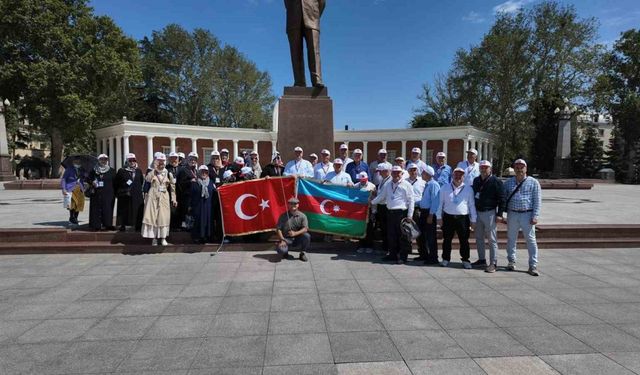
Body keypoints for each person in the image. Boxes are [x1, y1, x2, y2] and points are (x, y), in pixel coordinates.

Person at [503, 159, 541, 276]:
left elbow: (537, 200)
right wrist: (502, 214)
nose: (519, 169)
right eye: (517, 167)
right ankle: (511, 261)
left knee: (530, 240)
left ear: (526, 168)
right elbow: (503, 198)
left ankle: (533, 265)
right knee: (511, 239)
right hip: (512, 214)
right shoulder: (508, 183)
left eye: (521, 167)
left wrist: (535, 215)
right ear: (514, 168)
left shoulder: (533, 182)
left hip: (527, 214)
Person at [371, 165, 415, 264]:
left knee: (402, 236)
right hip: (390, 213)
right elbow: (381, 196)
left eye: (398, 172)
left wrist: (410, 216)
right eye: (394, 173)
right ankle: (392, 255)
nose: (396, 174)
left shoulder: (407, 184)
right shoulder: (388, 184)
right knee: (391, 235)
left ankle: (403, 257)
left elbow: (411, 200)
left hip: (401, 213)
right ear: (391, 173)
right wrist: (372, 202)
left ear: (402, 173)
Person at [436, 167, 477, 268]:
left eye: (460, 175)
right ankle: (445, 259)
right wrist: (439, 217)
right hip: (448, 217)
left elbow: (471, 205)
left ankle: (465, 260)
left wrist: (473, 220)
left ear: (464, 177)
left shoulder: (468, 189)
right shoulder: (445, 187)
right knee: (447, 240)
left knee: (464, 240)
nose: (458, 177)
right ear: (452, 175)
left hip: (463, 218)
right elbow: (440, 203)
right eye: (456, 175)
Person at [472, 160, 505, 273]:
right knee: (479, 237)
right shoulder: (476, 180)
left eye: (486, 167)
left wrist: (499, 214)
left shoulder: (496, 181)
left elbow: (502, 199)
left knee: (492, 239)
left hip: (490, 212)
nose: (483, 169)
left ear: (490, 169)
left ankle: (493, 263)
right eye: (482, 167)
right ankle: (481, 259)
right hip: (478, 212)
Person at [284, 0, 326, 88]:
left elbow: (322, 2)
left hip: (312, 17)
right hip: (293, 18)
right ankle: (299, 81)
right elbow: (287, 3)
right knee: (295, 53)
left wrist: (316, 15)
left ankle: (317, 79)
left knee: (314, 50)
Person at [142, 154, 177, 246]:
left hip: (164, 197)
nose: (161, 164)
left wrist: (174, 199)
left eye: (162, 162)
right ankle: (154, 238)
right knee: (153, 217)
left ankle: (163, 238)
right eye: (159, 161)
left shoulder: (168, 173)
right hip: (153, 196)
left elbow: (173, 188)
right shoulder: (151, 172)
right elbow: (146, 183)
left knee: (163, 218)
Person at [114, 153, 144, 232]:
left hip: (136, 194)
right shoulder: (121, 171)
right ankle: (123, 225)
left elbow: (141, 181)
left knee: (137, 210)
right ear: (127, 161)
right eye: (130, 160)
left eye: (134, 160)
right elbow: (116, 183)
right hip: (124, 194)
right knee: (125, 210)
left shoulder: (138, 170)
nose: (132, 162)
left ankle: (137, 225)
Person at [276, 197, 311, 261]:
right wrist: (282, 240)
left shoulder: (302, 216)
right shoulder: (283, 216)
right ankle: (285, 252)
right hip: (286, 239)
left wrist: (295, 233)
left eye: (295, 203)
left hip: (297, 238)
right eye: (291, 204)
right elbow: (278, 229)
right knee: (281, 250)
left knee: (307, 236)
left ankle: (302, 253)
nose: (293, 205)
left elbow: (305, 228)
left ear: (298, 205)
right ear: (288, 205)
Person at [418, 165, 440, 265]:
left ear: (427, 174)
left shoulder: (433, 185)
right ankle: (424, 255)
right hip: (424, 212)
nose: (422, 174)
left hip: (429, 213)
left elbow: (435, 201)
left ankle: (433, 257)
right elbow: (425, 200)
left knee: (431, 236)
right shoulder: (427, 184)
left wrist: (431, 215)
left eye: (423, 173)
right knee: (423, 235)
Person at [88, 154, 116, 231]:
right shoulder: (93, 170)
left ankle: (107, 224)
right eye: (101, 159)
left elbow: (115, 182)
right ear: (98, 160)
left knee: (107, 209)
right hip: (96, 193)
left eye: (105, 159)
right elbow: (88, 179)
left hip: (108, 193)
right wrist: (92, 182)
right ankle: (96, 225)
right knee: (96, 209)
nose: (103, 161)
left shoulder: (112, 171)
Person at [190, 165, 216, 244]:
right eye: (202, 172)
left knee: (208, 221)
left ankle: (207, 237)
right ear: (199, 172)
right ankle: (198, 237)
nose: (204, 173)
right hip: (198, 206)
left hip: (208, 206)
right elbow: (191, 195)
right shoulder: (194, 182)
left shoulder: (211, 183)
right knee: (198, 221)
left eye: (205, 172)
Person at [406, 163, 426, 260]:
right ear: (408, 171)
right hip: (407, 209)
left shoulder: (422, 182)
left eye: (414, 170)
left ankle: (422, 252)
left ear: (417, 171)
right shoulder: (404, 182)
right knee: (406, 231)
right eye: (411, 170)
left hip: (418, 209)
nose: (413, 172)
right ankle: (406, 251)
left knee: (419, 231)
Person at [372, 162, 392, 254]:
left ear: (386, 171)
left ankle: (388, 248)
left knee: (388, 229)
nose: (379, 173)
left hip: (386, 207)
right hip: (381, 206)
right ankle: (385, 247)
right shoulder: (383, 180)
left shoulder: (389, 181)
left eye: (381, 171)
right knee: (383, 228)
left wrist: (371, 202)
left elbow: (382, 196)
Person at [176, 152, 198, 229]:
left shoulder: (196, 170)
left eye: (194, 160)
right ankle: (183, 227)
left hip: (194, 195)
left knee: (191, 213)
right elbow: (180, 183)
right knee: (185, 212)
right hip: (185, 196)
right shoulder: (183, 170)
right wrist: (190, 181)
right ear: (188, 160)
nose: (193, 161)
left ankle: (190, 226)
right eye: (191, 159)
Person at [355, 171, 376, 254]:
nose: (363, 181)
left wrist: (374, 212)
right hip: (360, 210)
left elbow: (375, 200)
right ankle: (361, 245)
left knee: (369, 228)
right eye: (361, 180)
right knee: (360, 227)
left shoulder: (372, 186)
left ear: (367, 178)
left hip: (369, 210)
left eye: (364, 179)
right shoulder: (356, 186)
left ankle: (369, 246)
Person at [61, 157, 86, 225]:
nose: (77, 163)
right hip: (71, 188)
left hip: (80, 188)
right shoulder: (69, 169)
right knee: (72, 204)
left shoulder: (82, 170)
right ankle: (71, 218)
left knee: (79, 204)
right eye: (76, 162)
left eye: (79, 162)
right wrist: (63, 188)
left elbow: (85, 178)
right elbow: (64, 179)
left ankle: (76, 218)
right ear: (73, 162)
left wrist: (84, 175)